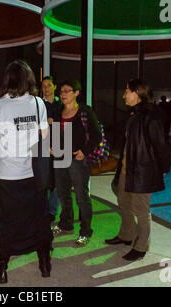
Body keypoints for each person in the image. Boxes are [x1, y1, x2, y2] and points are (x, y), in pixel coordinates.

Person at [0, 60, 53, 284]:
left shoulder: (0, 105)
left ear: (8, 79)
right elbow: (44, 136)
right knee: (37, 218)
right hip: (33, 174)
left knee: (6, 221)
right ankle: (45, 264)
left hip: (8, 176)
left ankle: (1, 268)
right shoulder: (38, 103)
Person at [105, 79, 171, 261]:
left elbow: (161, 145)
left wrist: (164, 168)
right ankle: (126, 235)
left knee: (141, 209)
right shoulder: (134, 114)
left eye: (126, 91)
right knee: (123, 202)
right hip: (128, 170)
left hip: (143, 171)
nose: (123, 95)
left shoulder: (150, 115)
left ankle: (142, 245)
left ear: (137, 93)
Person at [51, 80, 102, 247]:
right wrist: (52, 147)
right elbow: (55, 132)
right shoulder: (58, 111)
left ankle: (86, 231)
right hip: (60, 157)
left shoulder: (85, 112)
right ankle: (66, 223)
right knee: (62, 193)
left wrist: (84, 151)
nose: (63, 94)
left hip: (77, 160)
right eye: (61, 91)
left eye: (67, 90)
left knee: (81, 197)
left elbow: (96, 135)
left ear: (76, 93)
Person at [41, 76, 62, 221]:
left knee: (58, 180)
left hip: (60, 146)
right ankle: (42, 209)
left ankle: (52, 211)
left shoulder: (62, 104)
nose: (46, 88)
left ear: (55, 86)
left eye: (49, 85)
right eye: (44, 86)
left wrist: (55, 122)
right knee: (42, 179)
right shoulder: (38, 104)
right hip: (42, 145)